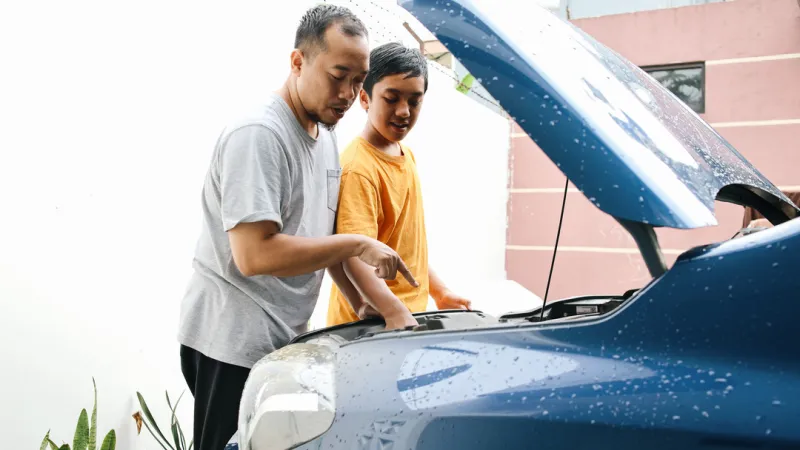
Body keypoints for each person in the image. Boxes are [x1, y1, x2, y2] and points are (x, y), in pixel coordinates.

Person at [177, 7, 417, 450]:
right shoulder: (259, 134)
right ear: (297, 63)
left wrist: (359, 299)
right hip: (229, 342)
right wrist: (360, 243)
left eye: (358, 80)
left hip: (279, 341)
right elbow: (255, 256)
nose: (348, 94)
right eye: (338, 75)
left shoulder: (324, 133)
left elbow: (319, 239)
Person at [326, 42, 471, 329]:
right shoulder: (358, 169)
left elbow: (404, 249)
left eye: (414, 101)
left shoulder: (406, 155)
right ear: (365, 99)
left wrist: (440, 293)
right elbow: (352, 256)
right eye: (391, 99)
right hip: (369, 325)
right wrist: (392, 311)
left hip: (406, 318)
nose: (404, 111)